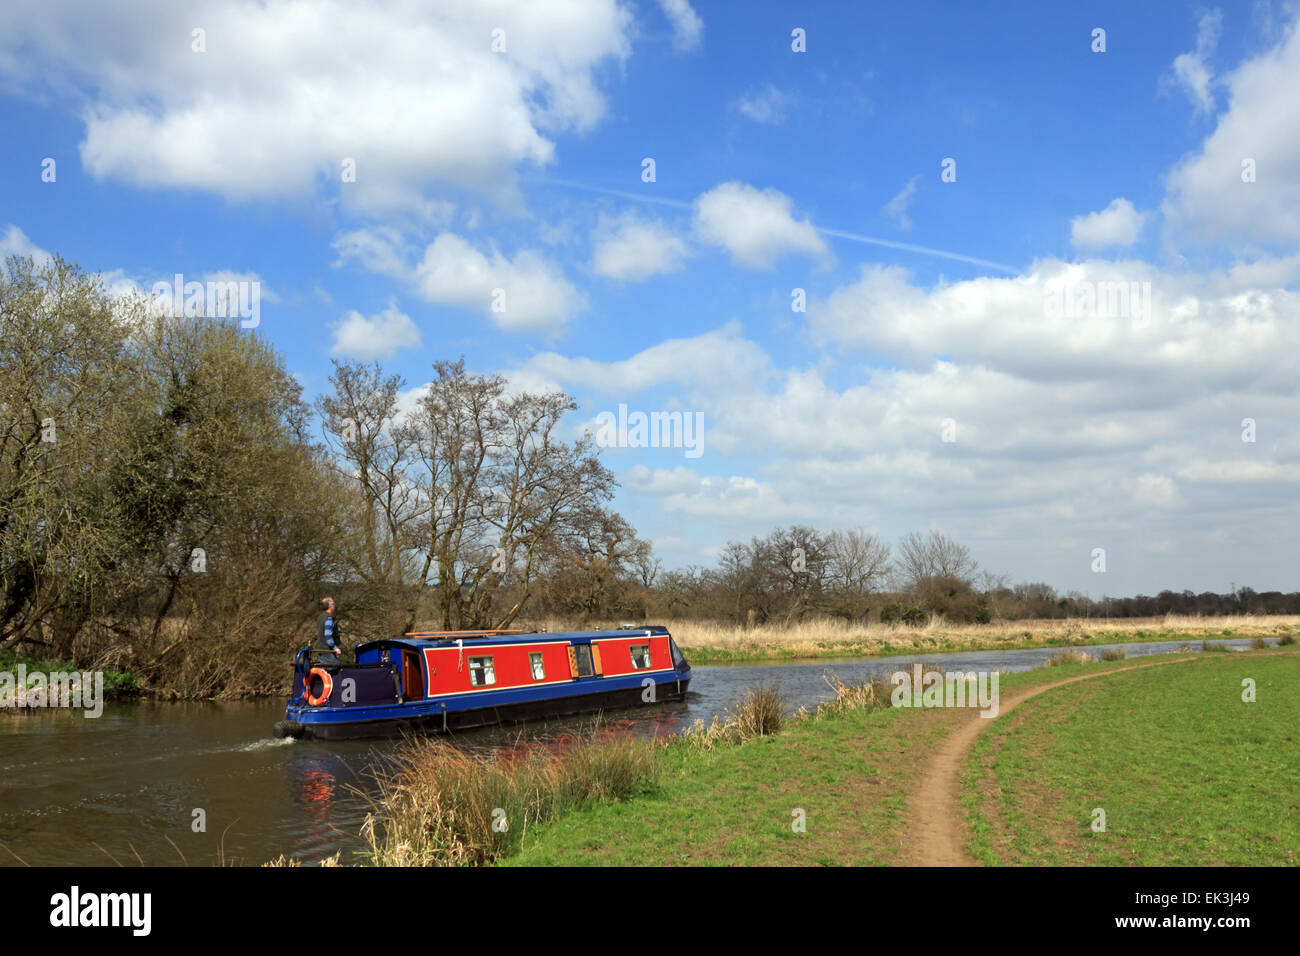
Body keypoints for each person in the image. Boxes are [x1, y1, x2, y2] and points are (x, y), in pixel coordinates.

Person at [313, 597, 343, 664]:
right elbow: (328, 637)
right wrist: (335, 648)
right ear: (331, 606)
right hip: (327, 650)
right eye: (333, 604)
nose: (334, 606)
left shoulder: (320, 617)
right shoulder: (328, 618)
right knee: (336, 666)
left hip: (320, 650)